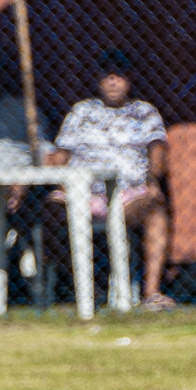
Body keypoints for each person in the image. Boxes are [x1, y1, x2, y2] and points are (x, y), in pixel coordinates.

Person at [46, 49, 175, 310]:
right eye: (107, 76)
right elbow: (61, 155)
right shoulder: (81, 112)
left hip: (129, 194)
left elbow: (158, 151)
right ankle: (84, 288)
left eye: (119, 75)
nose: (113, 81)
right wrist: (49, 167)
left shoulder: (144, 112)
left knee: (156, 206)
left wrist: (152, 178)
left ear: (130, 79)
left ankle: (151, 292)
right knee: (49, 210)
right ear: (98, 80)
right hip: (82, 193)